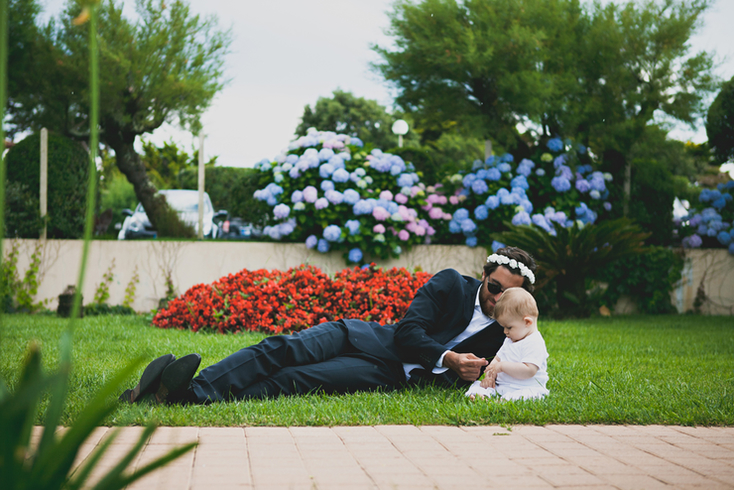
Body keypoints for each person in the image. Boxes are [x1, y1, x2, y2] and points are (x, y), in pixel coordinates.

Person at [119, 246, 537, 405]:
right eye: (494, 286)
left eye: (507, 295)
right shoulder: (450, 283)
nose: (496, 297)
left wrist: (468, 374)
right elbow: (409, 333)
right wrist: (448, 357)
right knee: (281, 348)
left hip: (385, 374)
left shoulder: (506, 332)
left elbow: (514, 371)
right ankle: (198, 386)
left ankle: (173, 396)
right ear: (484, 275)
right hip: (362, 336)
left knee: (293, 379)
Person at [465, 287, 549, 401]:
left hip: (526, 387)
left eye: (509, 327)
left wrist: (502, 367)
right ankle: (480, 395)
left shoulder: (534, 342)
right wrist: (490, 375)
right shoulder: (510, 339)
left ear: (527, 322)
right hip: (503, 386)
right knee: (478, 385)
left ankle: (506, 400)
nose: (505, 331)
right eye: (503, 327)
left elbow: (529, 370)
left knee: (526, 395)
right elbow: (498, 358)